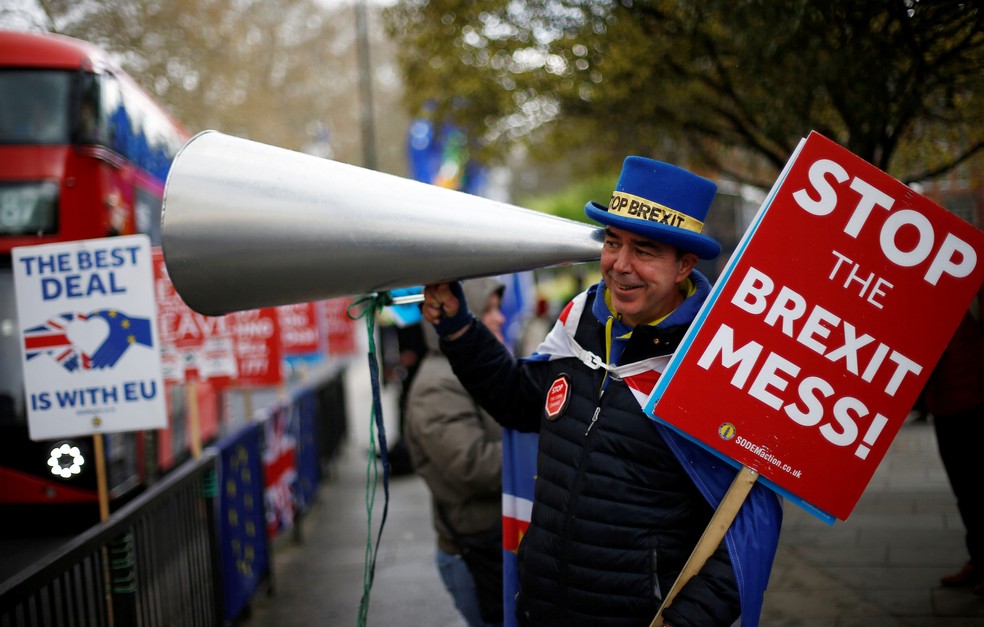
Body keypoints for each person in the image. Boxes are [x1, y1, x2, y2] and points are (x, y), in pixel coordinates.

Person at [421, 157, 783, 627]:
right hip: (541, 608)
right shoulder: (579, 322)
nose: (620, 266)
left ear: (684, 266)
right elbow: (517, 401)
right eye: (613, 242)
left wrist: (687, 621)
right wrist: (458, 328)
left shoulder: (716, 364)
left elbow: (748, 520)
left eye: (645, 250)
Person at [405, 278, 507, 626]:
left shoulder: (464, 371)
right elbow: (473, 467)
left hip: (491, 541)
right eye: (489, 310)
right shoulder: (438, 383)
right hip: (475, 551)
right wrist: (549, 449)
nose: (500, 319)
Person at [923, 294, 984, 596]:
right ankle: (978, 560)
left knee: (978, 488)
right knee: (965, 490)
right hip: (945, 403)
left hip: (976, 400)